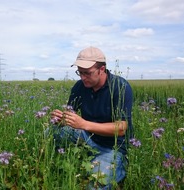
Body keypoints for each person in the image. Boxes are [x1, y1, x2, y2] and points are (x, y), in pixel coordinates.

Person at [49, 46, 133, 189]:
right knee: (51, 132)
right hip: (87, 137)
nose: (83, 77)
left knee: (94, 185)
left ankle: (118, 167)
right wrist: (62, 120)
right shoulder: (80, 86)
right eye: (79, 73)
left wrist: (84, 124)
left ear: (102, 69)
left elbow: (121, 129)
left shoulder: (120, 87)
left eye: (87, 73)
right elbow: (72, 116)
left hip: (112, 148)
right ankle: (56, 162)